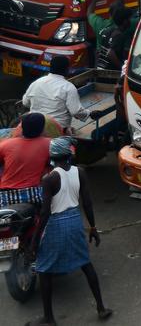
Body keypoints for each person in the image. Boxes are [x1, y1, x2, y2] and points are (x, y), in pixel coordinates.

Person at [32, 137, 113, 325]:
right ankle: (101, 307)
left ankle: (49, 318)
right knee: (85, 263)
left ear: (52, 156)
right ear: (69, 154)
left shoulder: (49, 178)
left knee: (44, 269)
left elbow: (44, 213)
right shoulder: (80, 172)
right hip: (75, 221)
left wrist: (35, 241)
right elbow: (88, 203)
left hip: (56, 224)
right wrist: (93, 227)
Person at [22, 57, 89, 133]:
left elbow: (25, 102)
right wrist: (88, 113)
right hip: (57, 131)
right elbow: (75, 112)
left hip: (34, 127)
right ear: (67, 69)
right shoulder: (68, 87)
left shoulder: (36, 83)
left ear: (50, 67)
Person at [0, 113, 50, 191]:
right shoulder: (49, 143)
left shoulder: (5, 144)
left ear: (22, 127)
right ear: (42, 128)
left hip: (5, 193)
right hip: (33, 192)